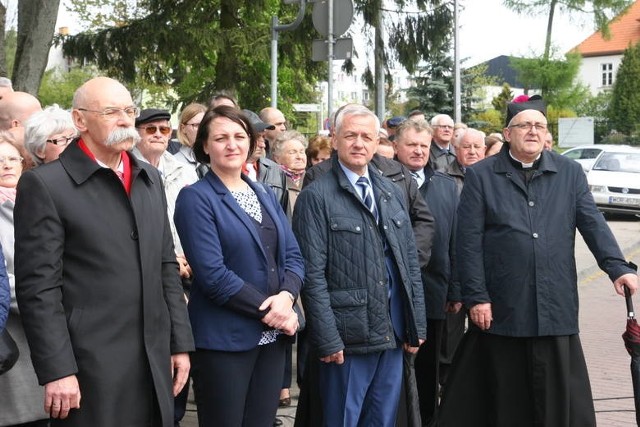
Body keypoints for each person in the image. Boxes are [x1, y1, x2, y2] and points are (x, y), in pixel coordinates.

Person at [438, 95, 639, 427]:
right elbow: (467, 242)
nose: (533, 131)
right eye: (524, 125)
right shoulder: (482, 176)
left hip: (554, 303)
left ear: (547, 135)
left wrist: (617, 266)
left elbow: (592, 223)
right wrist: (476, 296)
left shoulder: (570, 173)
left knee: (555, 398)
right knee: (505, 396)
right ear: (507, 133)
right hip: (502, 306)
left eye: (539, 126)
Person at [14, 77, 194, 427]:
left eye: (129, 110)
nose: (126, 120)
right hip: (89, 366)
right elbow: (39, 288)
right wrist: (58, 369)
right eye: (112, 112)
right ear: (79, 120)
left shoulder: (149, 179)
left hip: (153, 357)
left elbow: (165, 265)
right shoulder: (47, 185)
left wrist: (179, 342)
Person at [292, 104, 426, 427]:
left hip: (392, 333)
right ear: (335, 139)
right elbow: (312, 275)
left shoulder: (391, 191)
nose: (359, 143)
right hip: (346, 338)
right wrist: (326, 336)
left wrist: (416, 324)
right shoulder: (317, 197)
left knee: (381, 420)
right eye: (350, 135)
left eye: (367, 136)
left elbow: (409, 264)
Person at [174, 106, 304, 427]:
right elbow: (214, 275)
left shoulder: (261, 191)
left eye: (239, 136)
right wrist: (272, 311)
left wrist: (287, 299)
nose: (232, 144)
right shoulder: (195, 198)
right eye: (221, 138)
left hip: (271, 339)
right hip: (224, 341)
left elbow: (293, 256)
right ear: (205, 145)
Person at [392, 119, 461, 426]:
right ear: (396, 146)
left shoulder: (446, 186)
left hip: (433, 293)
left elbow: (456, 240)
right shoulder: (381, 180)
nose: (419, 151)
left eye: (424, 145)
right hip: (391, 292)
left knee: (427, 371)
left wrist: (456, 289)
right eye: (412, 145)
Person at [0, 131, 48, 426]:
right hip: (12, 325)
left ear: (23, 162)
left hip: (49, 326)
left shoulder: (42, 201)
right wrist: (40, 293)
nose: (6, 165)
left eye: (11, 158)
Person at [448, 127, 486, 193]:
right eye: (466, 147)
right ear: (456, 150)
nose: (472, 152)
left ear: (484, 150)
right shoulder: (442, 177)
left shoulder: (495, 176)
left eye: (477, 147)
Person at [174, 102, 208, 177]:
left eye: (205, 125)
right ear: (183, 128)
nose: (202, 130)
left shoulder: (216, 160)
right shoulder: (174, 164)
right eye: (197, 125)